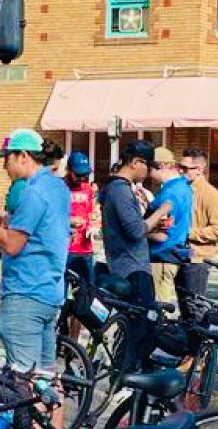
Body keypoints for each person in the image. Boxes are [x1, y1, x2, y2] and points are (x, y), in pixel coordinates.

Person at [0, 129, 70, 371]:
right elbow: (35, 229)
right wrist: (1, 213)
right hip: (50, 292)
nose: (4, 166)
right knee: (48, 378)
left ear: (23, 156)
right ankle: (54, 410)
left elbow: (12, 245)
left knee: (26, 382)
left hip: (25, 293)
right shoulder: (57, 187)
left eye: (7, 158)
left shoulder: (32, 193)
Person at [101, 141, 173, 367]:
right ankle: (125, 377)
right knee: (140, 330)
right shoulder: (120, 190)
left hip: (128, 265)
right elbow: (135, 230)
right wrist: (161, 211)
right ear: (135, 162)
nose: (149, 172)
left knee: (134, 329)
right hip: (132, 270)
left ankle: (125, 371)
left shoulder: (117, 189)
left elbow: (129, 229)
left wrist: (155, 230)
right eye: (147, 166)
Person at [147, 146, 195, 313]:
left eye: (149, 168)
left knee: (158, 310)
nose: (147, 173)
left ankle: (158, 338)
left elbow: (162, 233)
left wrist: (139, 229)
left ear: (161, 166)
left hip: (162, 255)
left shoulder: (170, 193)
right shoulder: (183, 186)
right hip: (172, 253)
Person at [180, 149, 218, 299]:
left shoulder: (211, 195)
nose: (180, 171)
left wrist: (188, 232)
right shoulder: (182, 190)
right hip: (178, 256)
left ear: (200, 170)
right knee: (184, 309)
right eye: (179, 167)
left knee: (195, 309)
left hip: (197, 261)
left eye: (185, 168)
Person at [64, 152, 98, 287]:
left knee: (87, 291)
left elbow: (92, 213)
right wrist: (69, 221)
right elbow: (51, 216)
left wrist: (93, 225)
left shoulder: (88, 189)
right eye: (78, 174)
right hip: (66, 248)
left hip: (85, 248)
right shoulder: (60, 188)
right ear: (69, 170)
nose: (83, 178)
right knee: (62, 291)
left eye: (85, 175)